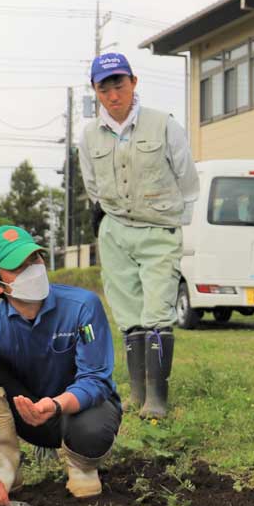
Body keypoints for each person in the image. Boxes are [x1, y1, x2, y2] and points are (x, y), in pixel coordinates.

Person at [0, 225, 120, 506]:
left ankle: (81, 467)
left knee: (95, 424)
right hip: (27, 415)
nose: (33, 269)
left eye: (35, 259)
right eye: (19, 267)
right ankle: (4, 467)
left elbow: (96, 379)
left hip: (77, 414)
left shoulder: (82, 306)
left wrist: (55, 404)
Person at [78, 53, 199, 419]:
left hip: (158, 228)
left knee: (158, 309)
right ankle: (137, 393)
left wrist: (173, 221)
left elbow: (187, 179)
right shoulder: (88, 136)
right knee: (128, 312)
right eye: (104, 87)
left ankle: (157, 399)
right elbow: (93, 186)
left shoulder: (164, 125)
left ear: (133, 82)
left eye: (119, 84)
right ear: (96, 92)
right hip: (115, 230)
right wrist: (109, 223)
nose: (113, 94)